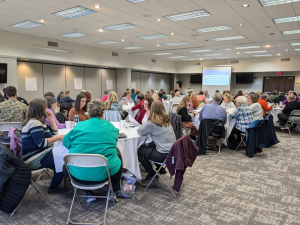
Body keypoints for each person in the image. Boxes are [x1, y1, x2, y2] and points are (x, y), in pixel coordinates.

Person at [63, 100, 122, 202]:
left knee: (65, 167)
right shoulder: (110, 126)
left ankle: (88, 193)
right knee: (118, 157)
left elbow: (66, 142)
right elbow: (115, 140)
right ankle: (114, 191)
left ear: (88, 113)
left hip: (78, 175)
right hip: (103, 173)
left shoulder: (79, 126)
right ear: (103, 112)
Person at [22, 98, 66, 194]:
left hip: (38, 154)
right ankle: (53, 187)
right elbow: (41, 143)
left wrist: (50, 118)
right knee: (64, 161)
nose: (48, 109)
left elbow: (54, 132)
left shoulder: (38, 121)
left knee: (60, 156)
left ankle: (58, 180)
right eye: (46, 108)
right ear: (41, 109)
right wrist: (59, 137)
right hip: (34, 158)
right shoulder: (35, 123)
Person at [137, 101, 176, 184]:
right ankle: (160, 168)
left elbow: (139, 131)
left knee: (140, 150)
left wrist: (147, 121)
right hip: (173, 152)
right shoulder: (167, 120)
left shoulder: (152, 123)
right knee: (150, 145)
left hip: (164, 154)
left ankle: (152, 174)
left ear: (152, 110)